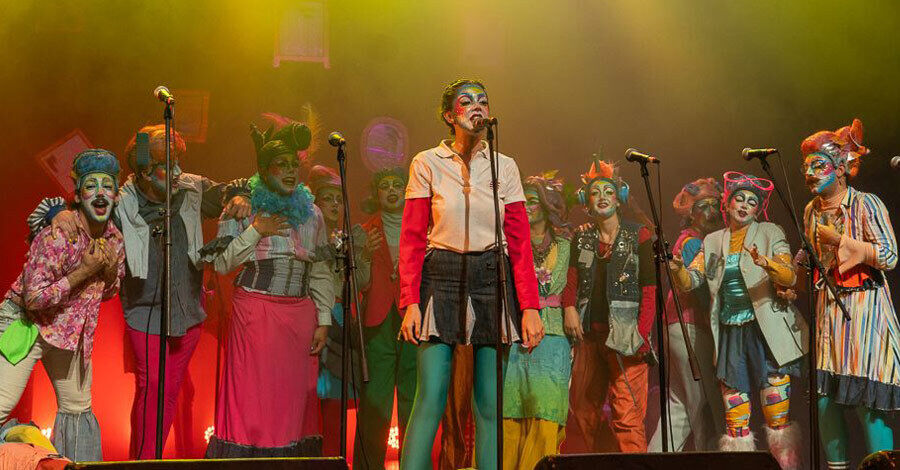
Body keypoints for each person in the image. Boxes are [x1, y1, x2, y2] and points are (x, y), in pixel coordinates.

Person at [27, 125, 251, 459]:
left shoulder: (192, 188)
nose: (175, 171)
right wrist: (57, 211)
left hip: (188, 311)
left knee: (168, 393)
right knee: (154, 389)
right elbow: (71, 207)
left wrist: (240, 196)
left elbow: (233, 190)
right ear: (143, 170)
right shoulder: (123, 198)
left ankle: (148, 459)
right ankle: (146, 459)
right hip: (144, 313)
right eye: (166, 164)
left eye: (178, 162)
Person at [396, 79, 542, 469]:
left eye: (483, 101)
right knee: (431, 396)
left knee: (489, 403)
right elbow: (411, 238)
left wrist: (530, 306)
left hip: (492, 273)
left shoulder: (504, 165)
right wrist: (410, 301)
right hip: (440, 272)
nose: (477, 107)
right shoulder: (426, 162)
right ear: (450, 115)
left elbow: (520, 242)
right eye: (466, 102)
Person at [202, 122, 333, 457]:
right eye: (281, 166)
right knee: (253, 397)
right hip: (256, 313)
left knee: (292, 398)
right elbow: (221, 264)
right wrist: (256, 230)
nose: (290, 172)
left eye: (294, 165)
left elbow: (319, 268)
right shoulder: (243, 207)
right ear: (264, 170)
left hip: (299, 316)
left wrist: (323, 319)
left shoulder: (313, 213)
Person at [670, 171, 807, 470]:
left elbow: (790, 275)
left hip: (766, 335)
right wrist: (677, 267)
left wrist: (766, 263)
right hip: (731, 335)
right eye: (739, 199)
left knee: (776, 418)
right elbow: (690, 281)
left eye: (752, 201)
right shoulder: (713, 240)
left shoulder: (771, 232)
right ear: (727, 205)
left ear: (758, 209)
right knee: (736, 421)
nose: (745, 205)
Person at [0, 149, 125, 461]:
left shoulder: (115, 240)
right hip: (28, 325)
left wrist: (107, 272)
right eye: (91, 185)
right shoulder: (59, 233)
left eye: (107, 185)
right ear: (79, 193)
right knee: (1, 402)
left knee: (78, 412)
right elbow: (33, 297)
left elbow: (107, 291)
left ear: (116, 195)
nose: (99, 193)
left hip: (69, 337)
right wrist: (84, 270)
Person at [799, 119, 900, 470]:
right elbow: (811, 257)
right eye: (807, 166)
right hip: (829, 308)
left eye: (819, 165)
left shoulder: (866, 204)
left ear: (840, 169)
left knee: (865, 402)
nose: (810, 173)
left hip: (864, 308)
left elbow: (888, 254)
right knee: (827, 402)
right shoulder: (811, 212)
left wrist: (842, 242)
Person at [565, 160, 656, 453]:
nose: (602, 196)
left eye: (608, 191)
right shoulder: (582, 236)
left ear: (618, 199)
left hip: (627, 339)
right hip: (590, 338)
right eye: (595, 193)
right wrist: (569, 309)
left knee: (628, 416)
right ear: (587, 202)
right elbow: (571, 281)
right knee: (584, 412)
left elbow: (649, 289)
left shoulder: (638, 234)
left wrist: (641, 333)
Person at [502, 170, 576, 469]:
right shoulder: (508, 245)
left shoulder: (566, 244)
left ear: (546, 205)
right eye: (522, 201)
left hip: (554, 334)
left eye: (532, 200)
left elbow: (571, 285)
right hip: (516, 333)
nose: (526, 206)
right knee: (512, 410)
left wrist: (569, 307)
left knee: (546, 412)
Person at [648, 177, 725, 451]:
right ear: (691, 212)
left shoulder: (694, 241)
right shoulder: (694, 244)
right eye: (704, 206)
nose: (712, 212)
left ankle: (656, 456)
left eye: (716, 205)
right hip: (690, 325)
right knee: (701, 402)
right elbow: (702, 292)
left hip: (678, 325)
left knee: (680, 403)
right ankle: (708, 459)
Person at [354, 167, 417, 469]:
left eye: (398, 185)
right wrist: (364, 255)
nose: (391, 190)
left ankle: (413, 464)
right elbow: (360, 284)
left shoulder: (423, 228)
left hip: (413, 319)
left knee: (412, 398)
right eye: (385, 186)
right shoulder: (365, 231)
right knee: (376, 403)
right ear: (376, 193)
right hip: (378, 319)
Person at [308, 165, 367, 457]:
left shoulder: (347, 239)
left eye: (337, 199)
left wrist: (361, 255)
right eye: (326, 198)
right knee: (313, 406)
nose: (333, 204)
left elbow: (363, 282)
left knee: (336, 408)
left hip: (343, 321)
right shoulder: (308, 237)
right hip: (316, 320)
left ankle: (334, 460)